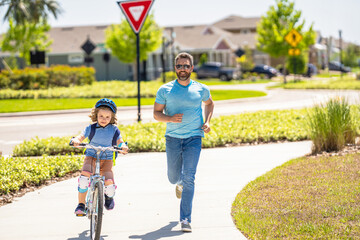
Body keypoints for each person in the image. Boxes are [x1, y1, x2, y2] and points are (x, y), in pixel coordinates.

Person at [153, 52, 214, 232]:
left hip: (194, 138)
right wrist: (170, 118)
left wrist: (208, 121)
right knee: (173, 177)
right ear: (175, 68)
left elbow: (210, 104)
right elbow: (156, 114)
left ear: (192, 68)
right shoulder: (165, 90)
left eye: (186, 66)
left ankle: (185, 219)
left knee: (190, 177)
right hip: (172, 138)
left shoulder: (201, 89)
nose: (183, 69)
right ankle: (178, 183)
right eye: (180, 66)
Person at [71, 98, 128, 216]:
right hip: (91, 156)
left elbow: (120, 141)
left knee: (110, 184)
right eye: (101, 116)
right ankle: (81, 205)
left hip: (107, 159)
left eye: (107, 117)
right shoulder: (91, 128)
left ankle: (108, 197)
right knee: (84, 178)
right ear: (96, 115)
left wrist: (123, 147)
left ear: (112, 118)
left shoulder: (114, 129)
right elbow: (81, 137)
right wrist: (76, 140)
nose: (104, 119)